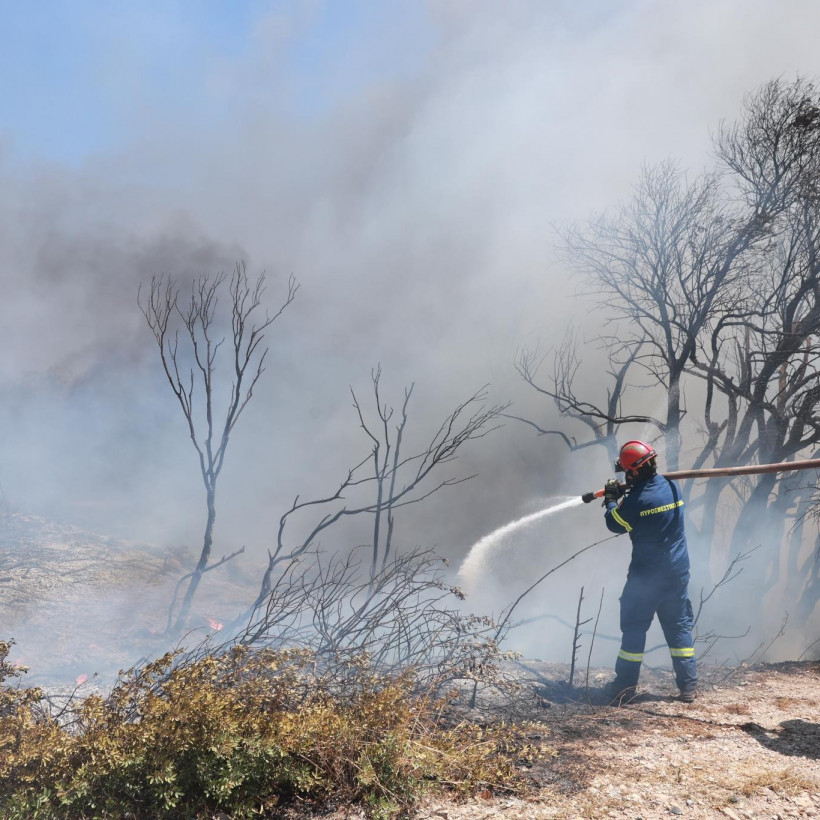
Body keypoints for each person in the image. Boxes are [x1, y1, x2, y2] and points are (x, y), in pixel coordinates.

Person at [601, 440, 698, 704]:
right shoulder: (672, 487)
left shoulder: (638, 500)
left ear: (635, 470)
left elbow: (615, 524)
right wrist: (628, 493)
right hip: (677, 572)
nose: (626, 475)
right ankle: (688, 686)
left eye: (627, 472)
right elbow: (645, 496)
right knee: (678, 627)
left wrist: (611, 500)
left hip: (646, 578)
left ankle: (624, 688)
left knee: (634, 629)